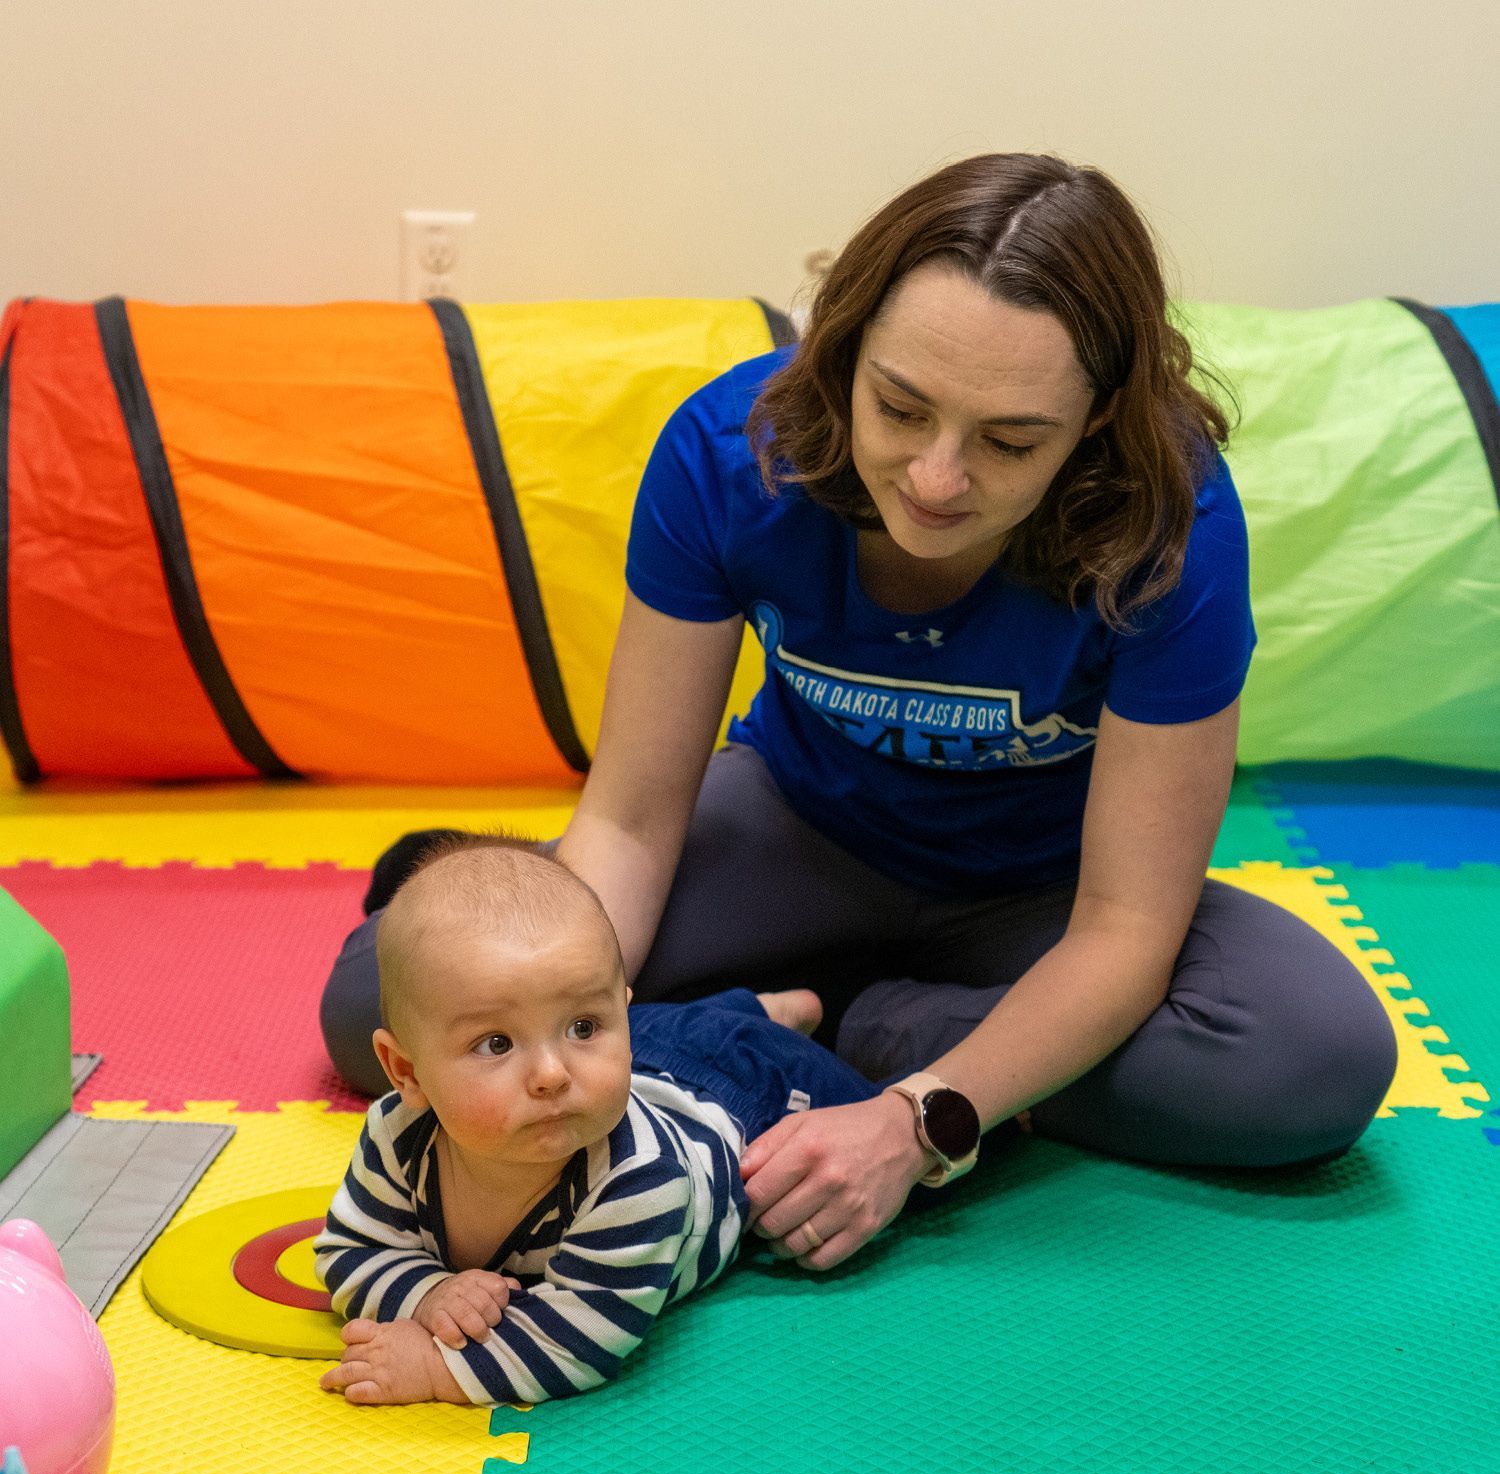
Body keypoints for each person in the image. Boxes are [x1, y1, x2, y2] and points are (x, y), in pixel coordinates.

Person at [321, 152, 1397, 1274]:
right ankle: (788, 1026)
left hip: (1043, 899)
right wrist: (551, 1019)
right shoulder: (731, 452)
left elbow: (1125, 928)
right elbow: (633, 819)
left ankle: (865, 1024)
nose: (937, 477)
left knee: (1311, 1062)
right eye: (900, 407)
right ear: (842, 353)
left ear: (1095, 427)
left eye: (1010, 441)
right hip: (798, 836)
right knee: (386, 1005)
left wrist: (920, 1119)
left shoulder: (1171, 524)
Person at [314, 837, 889, 1408]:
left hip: (748, 1095)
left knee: (863, 1107)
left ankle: (772, 1019)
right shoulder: (397, 1136)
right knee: (675, 1031)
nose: (551, 1074)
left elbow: (576, 1342)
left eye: (585, 1026)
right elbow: (348, 1249)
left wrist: (437, 1367)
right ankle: (749, 1009)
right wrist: (428, 1291)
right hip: (656, 1051)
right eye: (496, 1043)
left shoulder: (640, 1178)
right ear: (405, 1072)